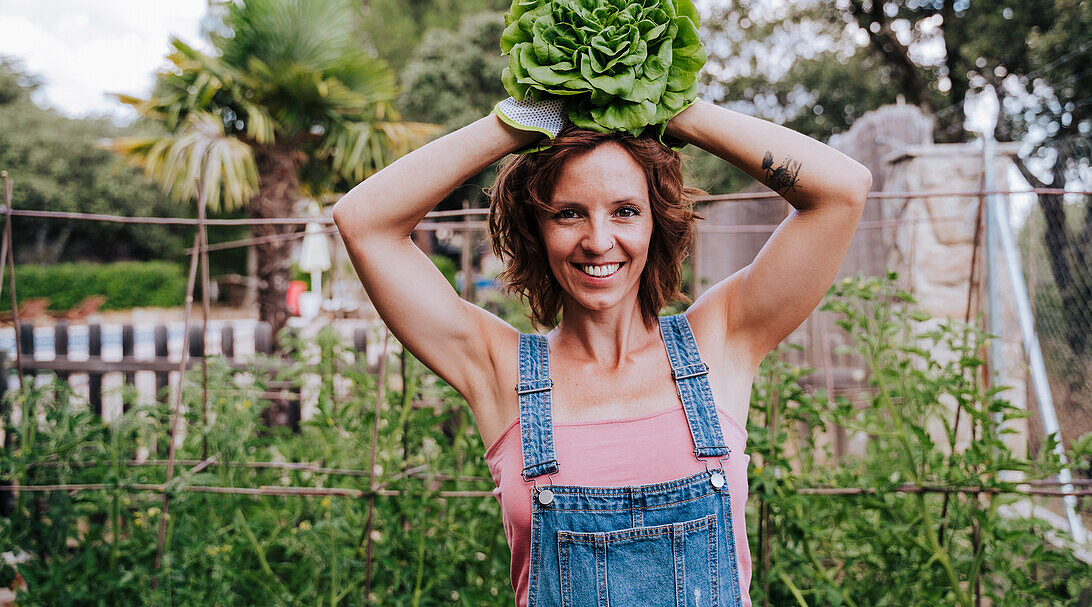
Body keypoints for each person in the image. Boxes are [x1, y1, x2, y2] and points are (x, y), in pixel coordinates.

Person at [332, 98, 871, 606]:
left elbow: (842, 190)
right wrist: (516, 122)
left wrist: (674, 110)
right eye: (568, 213)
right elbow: (365, 222)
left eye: (625, 211)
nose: (598, 239)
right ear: (535, 229)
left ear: (657, 221)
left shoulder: (721, 339)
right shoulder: (497, 369)